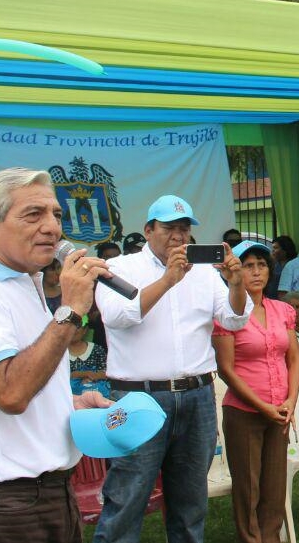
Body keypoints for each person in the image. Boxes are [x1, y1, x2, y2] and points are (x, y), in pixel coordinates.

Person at [0, 167, 111, 543]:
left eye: (57, 215)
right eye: (34, 215)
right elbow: (11, 393)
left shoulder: (23, 284)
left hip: (47, 494)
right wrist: (71, 310)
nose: (52, 228)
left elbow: (25, 382)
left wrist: (73, 403)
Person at [93, 194, 252, 543]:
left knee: (190, 501)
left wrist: (236, 282)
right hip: (139, 398)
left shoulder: (206, 273)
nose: (178, 236)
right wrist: (168, 280)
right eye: (169, 228)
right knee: (128, 497)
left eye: (184, 228)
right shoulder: (120, 268)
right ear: (148, 230)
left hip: (196, 395)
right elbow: (118, 317)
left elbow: (234, 318)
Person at [213, 240, 299, 543]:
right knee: (248, 487)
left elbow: (293, 358)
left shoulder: (282, 310)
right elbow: (226, 368)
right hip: (244, 411)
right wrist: (263, 407)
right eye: (247, 265)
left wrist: (290, 401)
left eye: (261, 265)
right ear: (233, 271)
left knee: (274, 487)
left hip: (280, 409)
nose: (255, 271)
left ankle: (271, 538)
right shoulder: (226, 313)